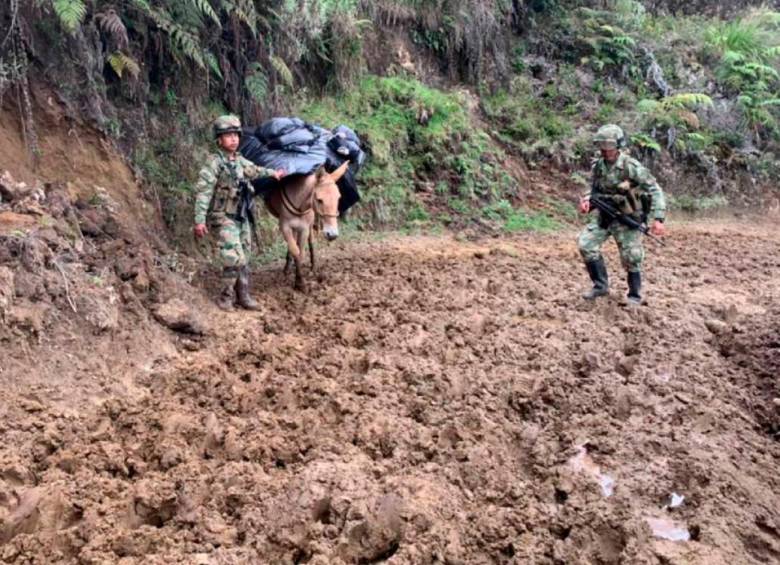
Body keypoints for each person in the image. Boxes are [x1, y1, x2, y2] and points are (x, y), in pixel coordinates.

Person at [193, 115, 285, 311]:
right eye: (228, 135)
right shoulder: (214, 163)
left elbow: (255, 170)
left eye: (236, 135)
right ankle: (225, 297)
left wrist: (273, 174)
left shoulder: (240, 160)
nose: (233, 139)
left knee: (245, 255)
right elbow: (204, 191)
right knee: (233, 257)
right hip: (223, 217)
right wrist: (200, 220)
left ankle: (243, 295)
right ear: (219, 139)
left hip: (240, 216)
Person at [577, 124, 666, 305]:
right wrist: (587, 201)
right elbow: (594, 190)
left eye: (609, 147)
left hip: (627, 218)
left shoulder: (630, 166)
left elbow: (654, 189)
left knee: (631, 256)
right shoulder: (598, 166)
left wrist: (658, 218)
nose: (606, 151)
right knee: (586, 244)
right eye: (603, 147)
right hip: (605, 215)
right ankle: (600, 286)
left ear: (618, 145)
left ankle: (634, 295)